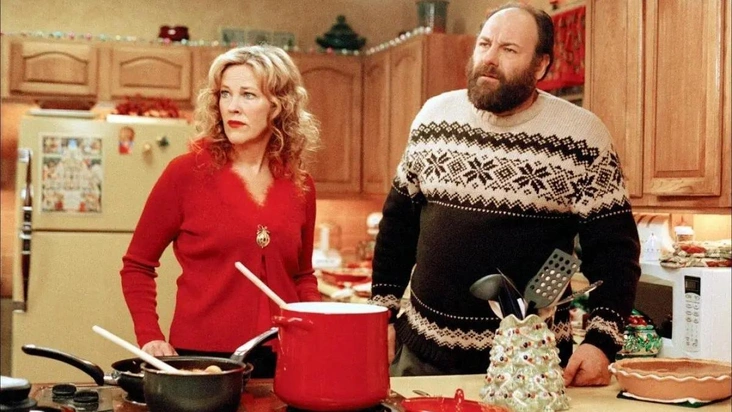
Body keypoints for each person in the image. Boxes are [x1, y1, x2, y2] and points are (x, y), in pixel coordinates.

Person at [368, 2, 640, 387]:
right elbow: (397, 228)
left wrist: (601, 342)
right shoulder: (433, 118)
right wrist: (381, 314)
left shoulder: (582, 136)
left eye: (509, 49)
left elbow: (615, 254)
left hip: (533, 366)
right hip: (421, 356)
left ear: (541, 66)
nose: (490, 59)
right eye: (484, 44)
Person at [120, 45, 322, 378]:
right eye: (225, 94)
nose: (232, 106)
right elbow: (137, 266)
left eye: (248, 95)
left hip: (285, 354)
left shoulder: (300, 185)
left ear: (278, 106)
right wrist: (149, 335)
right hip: (201, 359)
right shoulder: (186, 174)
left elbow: (301, 275)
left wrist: (317, 322)